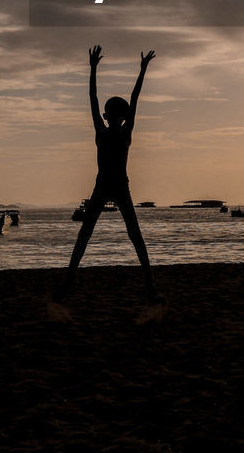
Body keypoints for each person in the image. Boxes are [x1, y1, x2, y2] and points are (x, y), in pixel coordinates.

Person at [56, 45, 160, 302]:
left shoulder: (116, 132)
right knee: (89, 235)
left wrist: (142, 70)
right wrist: (93, 69)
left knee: (131, 235)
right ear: (116, 115)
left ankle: (150, 285)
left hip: (114, 186)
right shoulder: (109, 132)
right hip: (104, 186)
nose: (120, 116)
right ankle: (69, 281)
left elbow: (129, 99)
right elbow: (95, 99)